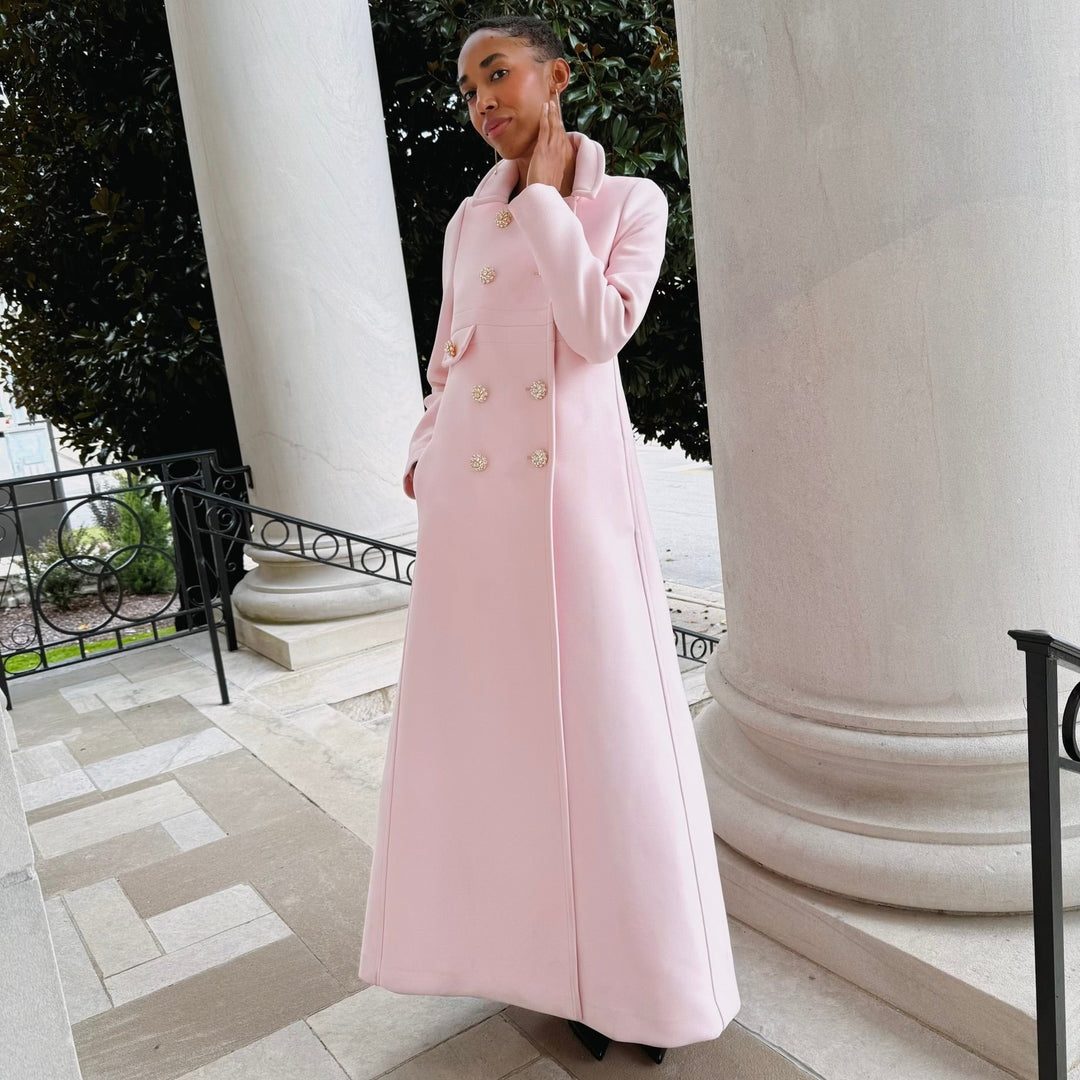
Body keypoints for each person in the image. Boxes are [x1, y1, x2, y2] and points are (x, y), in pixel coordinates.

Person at [359, 13, 741, 1067]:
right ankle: (533, 961)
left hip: (573, 512)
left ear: (555, 75)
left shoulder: (627, 202)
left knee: (606, 741)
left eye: (499, 74)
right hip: (472, 524)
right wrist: (426, 459)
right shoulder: (463, 225)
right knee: (501, 743)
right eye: (470, 85)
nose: (483, 98)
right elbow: (447, 360)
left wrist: (543, 203)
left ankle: (634, 983)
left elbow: (600, 330)